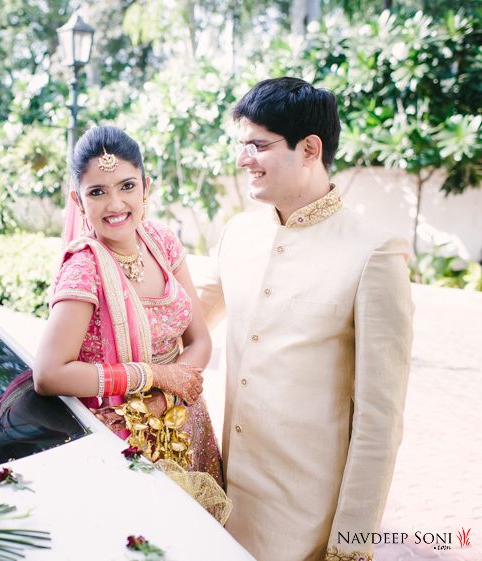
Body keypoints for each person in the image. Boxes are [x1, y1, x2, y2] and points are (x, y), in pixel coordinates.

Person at [196, 77, 413, 561]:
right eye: (240, 145)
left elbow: (380, 419)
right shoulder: (239, 235)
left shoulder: (374, 253)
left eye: (257, 145)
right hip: (222, 501)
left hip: (304, 522)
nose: (242, 160)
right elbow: (181, 324)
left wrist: (350, 543)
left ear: (310, 148)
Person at [32, 126, 226, 504]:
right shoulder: (84, 269)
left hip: (184, 420)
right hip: (121, 435)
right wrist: (155, 377)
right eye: (97, 192)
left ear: (145, 187)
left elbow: (200, 339)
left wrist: (170, 396)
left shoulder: (162, 242)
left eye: (127, 186)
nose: (115, 204)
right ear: (78, 199)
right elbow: (49, 374)